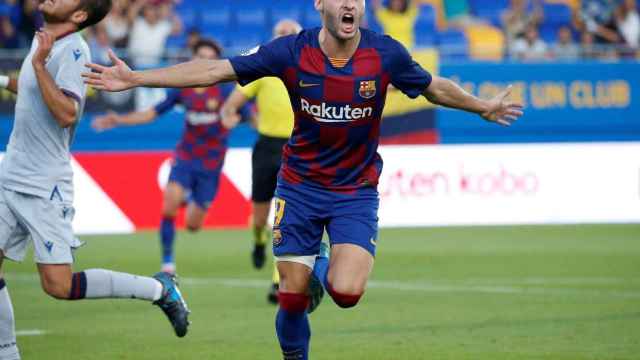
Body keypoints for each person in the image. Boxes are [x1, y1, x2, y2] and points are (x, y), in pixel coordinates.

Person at [83, 0, 524, 358]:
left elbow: (433, 87)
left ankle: (323, 257)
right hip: (299, 188)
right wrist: (138, 77)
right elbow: (215, 70)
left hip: (354, 191)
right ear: (321, 6)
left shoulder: (384, 53)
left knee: (347, 293)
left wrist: (481, 105)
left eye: (359, 0)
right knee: (292, 300)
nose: (352, 5)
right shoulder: (290, 51)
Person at [0, 1, 191, 358]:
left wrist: (40, 64)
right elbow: (29, 87)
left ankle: (159, 289)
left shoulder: (73, 49)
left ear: (78, 16)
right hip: (11, 171)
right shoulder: (43, 40)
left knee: (57, 285)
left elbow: (67, 112)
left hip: (42, 183)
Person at [92, 38, 234, 275]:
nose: (205, 62)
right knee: (169, 207)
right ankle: (167, 262)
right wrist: (118, 119)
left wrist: (239, 119)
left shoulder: (226, 90)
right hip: (186, 157)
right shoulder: (183, 89)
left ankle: (189, 198)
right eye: (201, 57)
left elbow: (248, 112)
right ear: (193, 59)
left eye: (210, 57)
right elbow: (151, 113)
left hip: (212, 163)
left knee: (193, 225)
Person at [221, 19, 302, 305]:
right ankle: (258, 240)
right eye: (281, 33)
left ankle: (278, 281)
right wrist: (230, 115)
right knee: (260, 217)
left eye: (291, 33)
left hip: (298, 148)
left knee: (287, 216)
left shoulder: (310, 70)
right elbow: (231, 104)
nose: (286, 37)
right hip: (267, 147)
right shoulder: (264, 72)